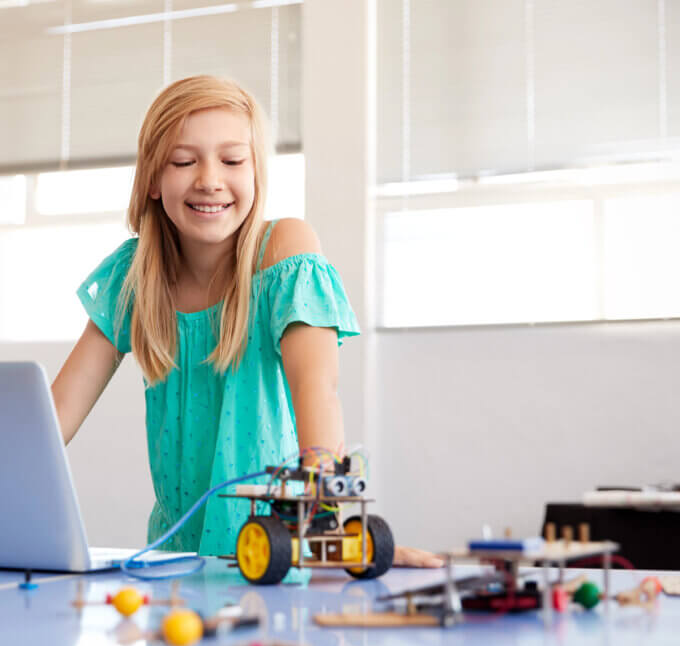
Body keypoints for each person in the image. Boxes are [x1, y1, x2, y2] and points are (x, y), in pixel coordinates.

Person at [51, 75, 441, 568]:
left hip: (276, 555)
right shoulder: (134, 276)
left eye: (232, 160)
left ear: (256, 174)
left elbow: (317, 390)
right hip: (178, 560)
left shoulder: (285, 251)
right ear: (153, 178)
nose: (209, 179)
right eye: (183, 161)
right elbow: (56, 415)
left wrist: (331, 528)